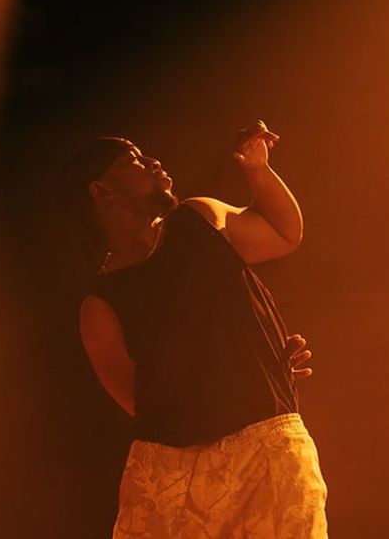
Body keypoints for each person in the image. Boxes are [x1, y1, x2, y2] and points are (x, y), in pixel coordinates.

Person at [73, 120, 328, 537]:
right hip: (170, 474)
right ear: (102, 191)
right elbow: (141, 402)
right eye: (132, 161)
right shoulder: (100, 305)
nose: (152, 161)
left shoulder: (200, 219)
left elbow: (283, 233)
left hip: (267, 445)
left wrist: (257, 170)